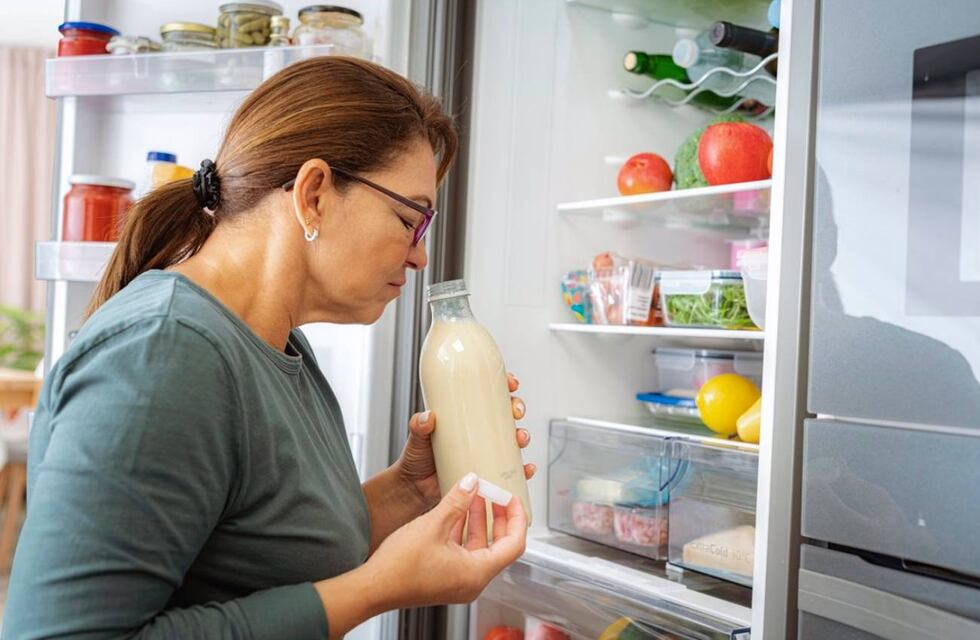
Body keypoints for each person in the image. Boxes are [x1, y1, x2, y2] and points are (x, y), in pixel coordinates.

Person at [4, 56, 533, 639]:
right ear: (313, 194)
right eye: (411, 219)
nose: (419, 255)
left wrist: (412, 490)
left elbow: (267, 556)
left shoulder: (282, 348)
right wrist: (378, 589)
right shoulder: (163, 354)